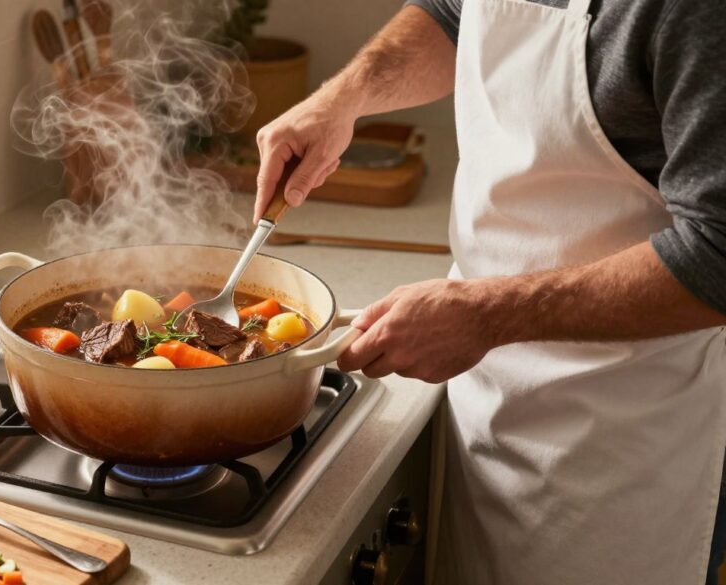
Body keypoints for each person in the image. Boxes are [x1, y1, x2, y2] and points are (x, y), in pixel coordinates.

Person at [251, 1, 726, 583]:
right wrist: (344, 97)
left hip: (632, 423)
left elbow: (718, 255)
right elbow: (452, 15)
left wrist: (485, 315)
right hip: (481, 388)